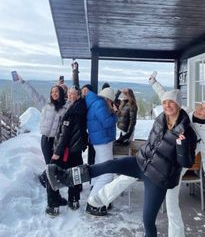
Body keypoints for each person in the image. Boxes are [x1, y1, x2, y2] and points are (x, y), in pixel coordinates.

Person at [46, 90, 197, 237]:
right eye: (164, 102)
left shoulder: (187, 132)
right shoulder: (160, 120)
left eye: (171, 102)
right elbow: (152, 144)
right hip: (140, 162)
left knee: (148, 220)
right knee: (109, 165)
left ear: (178, 104)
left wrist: (181, 146)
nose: (167, 105)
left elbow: (187, 162)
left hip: (157, 178)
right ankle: (67, 178)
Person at [148, 72, 205, 235]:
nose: (199, 109)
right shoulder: (187, 112)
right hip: (162, 157)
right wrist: (154, 83)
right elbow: (167, 98)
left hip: (177, 167)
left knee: (170, 201)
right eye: (201, 105)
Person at [81, 85, 117, 216]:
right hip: (103, 140)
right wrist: (115, 114)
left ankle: (95, 191)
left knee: (100, 168)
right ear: (108, 99)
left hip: (98, 140)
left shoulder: (94, 103)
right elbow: (107, 122)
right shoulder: (101, 104)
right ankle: (94, 203)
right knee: (108, 173)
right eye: (111, 102)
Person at [50, 86, 88, 213]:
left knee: (52, 173)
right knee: (76, 174)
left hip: (67, 150)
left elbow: (64, 135)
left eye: (73, 94)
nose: (70, 96)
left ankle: (53, 205)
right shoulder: (81, 107)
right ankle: (74, 201)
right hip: (76, 149)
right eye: (69, 94)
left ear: (78, 96)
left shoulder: (72, 113)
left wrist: (57, 153)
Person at [40, 85, 69, 216]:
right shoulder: (46, 105)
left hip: (57, 142)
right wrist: (22, 81)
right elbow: (34, 94)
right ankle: (54, 202)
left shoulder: (65, 108)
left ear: (61, 93)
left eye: (57, 91)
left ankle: (54, 201)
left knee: (53, 170)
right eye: (52, 92)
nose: (54, 94)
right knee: (51, 170)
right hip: (46, 141)